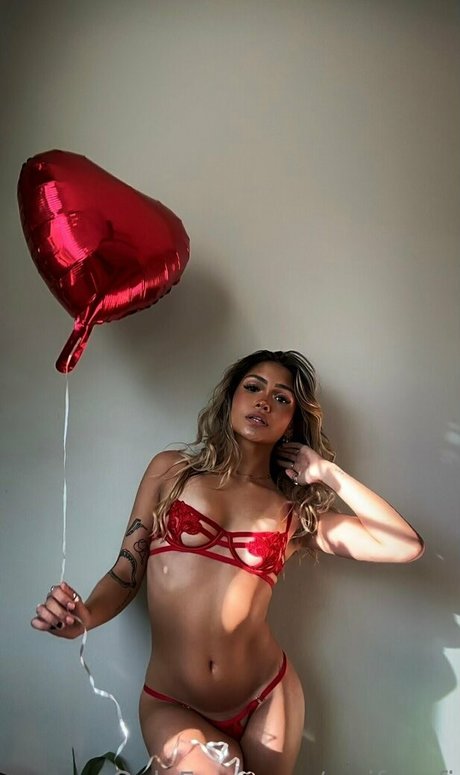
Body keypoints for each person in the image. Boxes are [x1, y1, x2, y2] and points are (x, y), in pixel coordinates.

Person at [31, 350, 424, 775]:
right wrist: (86, 616)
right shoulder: (171, 473)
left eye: (281, 398)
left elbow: (403, 545)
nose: (263, 402)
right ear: (231, 398)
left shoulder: (295, 513)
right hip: (173, 702)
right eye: (253, 388)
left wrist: (328, 473)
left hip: (268, 697)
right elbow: (127, 571)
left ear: (292, 422)